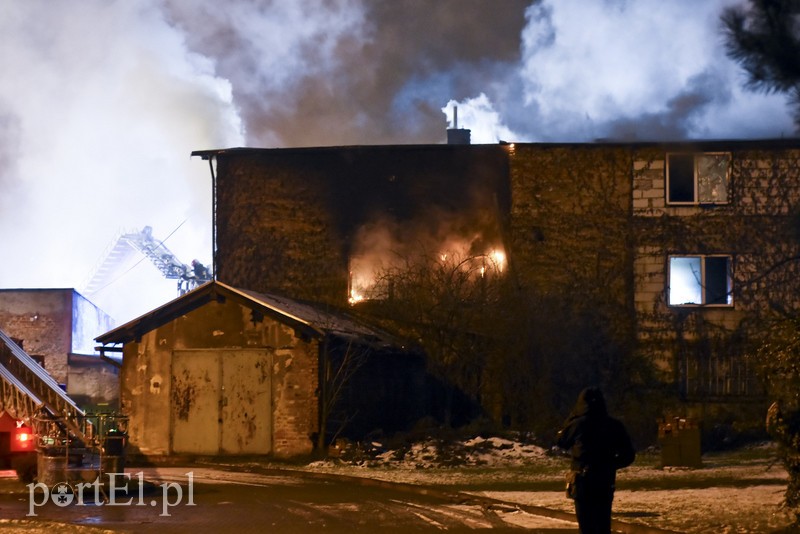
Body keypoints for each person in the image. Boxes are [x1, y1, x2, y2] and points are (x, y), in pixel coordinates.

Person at [556, 387, 635, 534]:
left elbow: (561, 441)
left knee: (586, 526)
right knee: (603, 524)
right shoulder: (614, 425)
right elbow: (628, 454)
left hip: (582, 481)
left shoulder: (578, 424)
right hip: (605, 480)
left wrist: (572, 416)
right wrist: (611, 464)